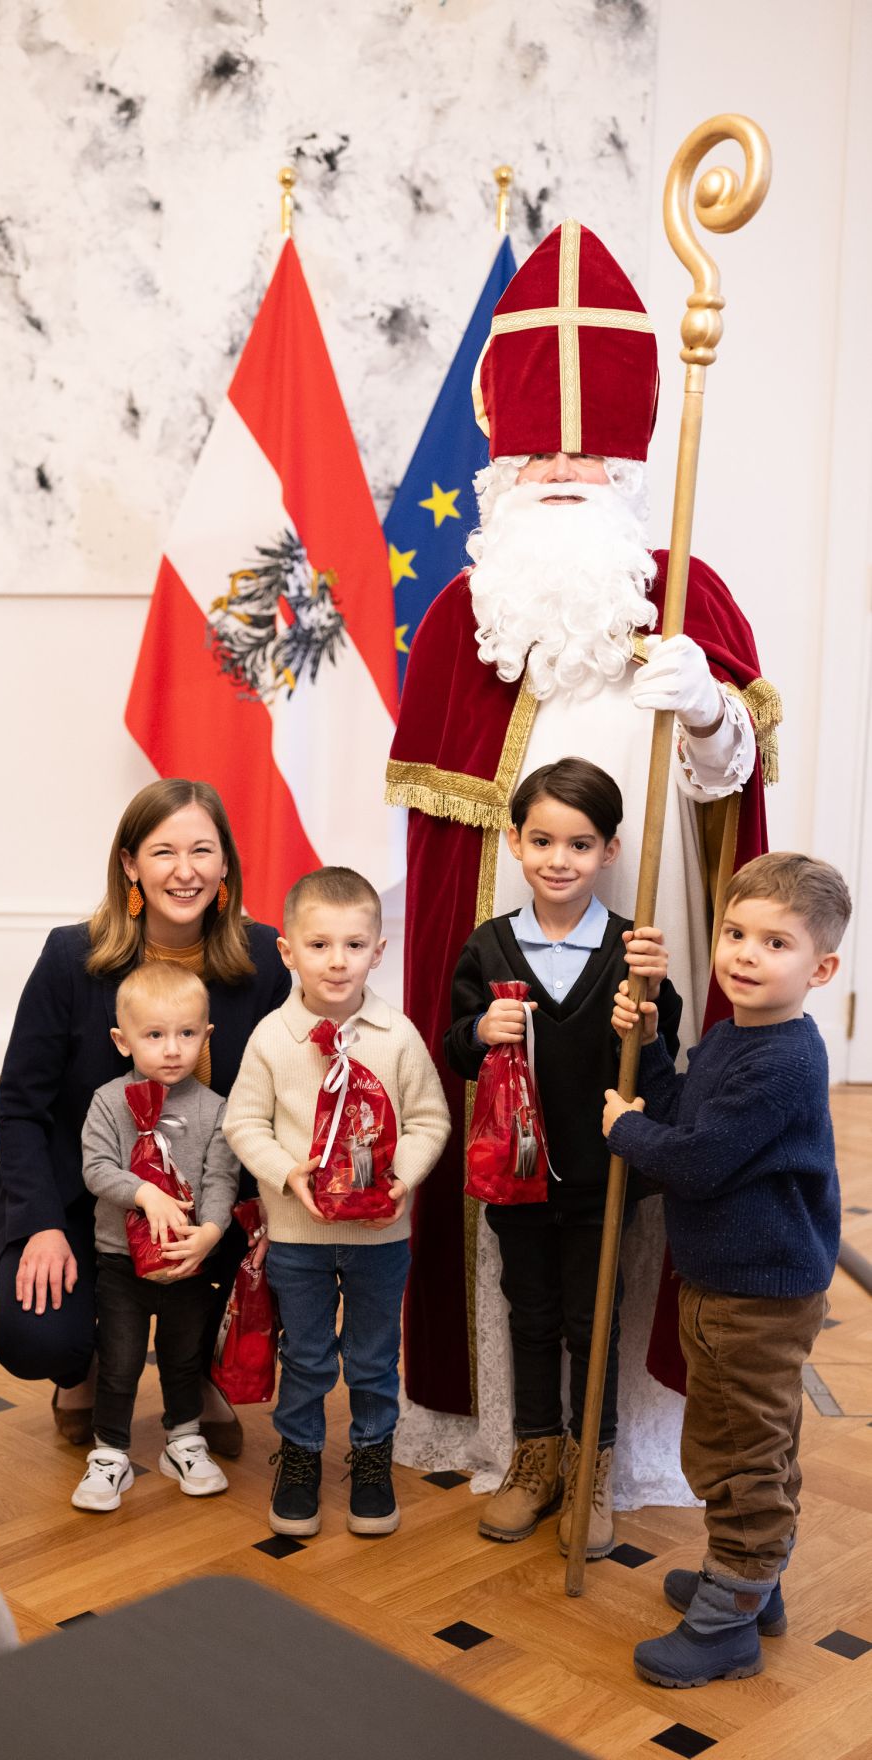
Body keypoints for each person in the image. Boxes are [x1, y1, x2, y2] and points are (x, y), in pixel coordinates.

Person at [384, 218, 780, 1481]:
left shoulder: (685, 597)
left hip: (642, 940)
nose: (562, 465)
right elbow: (439, 851)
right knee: (520, 1186)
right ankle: (514, 1430)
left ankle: (630, 1442)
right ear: (502, 460)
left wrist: (709, 704)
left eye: (587, 447)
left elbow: (736, 798)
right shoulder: (461, 616)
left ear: (625, 461)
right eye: (540, 446)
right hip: (510, 969)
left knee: (632, 1155)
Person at [0, 778, 290, 1462]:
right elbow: (21, 1109)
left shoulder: (265, 959)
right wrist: (41, 1227)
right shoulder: (69, 958)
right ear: (129, 864)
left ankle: (199, 1368)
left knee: (301, 1270)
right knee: (38, 1334)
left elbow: (280, 1101)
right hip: (85, 1196)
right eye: (163, 852)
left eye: (202, 851)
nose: (185, 871)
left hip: (214, 1198)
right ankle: (79, 1367)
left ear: (226, 863)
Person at [604, 852, 850, 1686]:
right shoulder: (731, 1036)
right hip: (723, 1283)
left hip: (757, 1292)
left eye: (774, 943)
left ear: (819, 968)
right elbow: (685, 1105)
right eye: (736, 934)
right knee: (754, 1439)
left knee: (736, 1453)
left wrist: (624, 1131)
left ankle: (726, 1626)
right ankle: (752, 1585)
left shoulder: (784, 1060)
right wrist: (646, 1062)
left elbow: (701, 1159)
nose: (744, 954)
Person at [445, 758, 680, 1559]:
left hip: (600, 1176)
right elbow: (455, 1043)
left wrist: (642, 1023)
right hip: (514, 1178)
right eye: (541, 839)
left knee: (593, 1323)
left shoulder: (632, 952)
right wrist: (479, 1035)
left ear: (610, 851)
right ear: (513, 841)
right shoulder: (489, 945)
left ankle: (592, 1470)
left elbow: (661, 1062)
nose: (557, 858)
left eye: (578, 844)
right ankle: (533, 1460)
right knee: (531, 1315)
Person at [224, 867, 450, 1538]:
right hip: (298, 1234)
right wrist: (284, 1175)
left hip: (380, 1237)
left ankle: (372, 1455)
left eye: (354, 945)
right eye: (318, 945)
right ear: (287, 951)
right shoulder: (272, 1040)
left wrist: (402, 1179)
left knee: (376, 1356)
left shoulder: (397, 1037)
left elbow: (429, 1121)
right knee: (309, 1355)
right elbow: (244, 1124)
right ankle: (298, 1457)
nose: (337, 961)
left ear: (378, 951)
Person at [75, 963, 240, 1509]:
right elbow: (97, 1169)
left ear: (206, 1037)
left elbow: (222, 1179)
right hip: (121, 1262)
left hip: (188, 1262)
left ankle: (184, 1439)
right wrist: (145, 1193)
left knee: (183, 1356)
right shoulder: (107, 1101)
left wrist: (209, 1234)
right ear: (123, 1041)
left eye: (187, 1034)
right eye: (155, 1035)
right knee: (119, 1359)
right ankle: (111, 1452)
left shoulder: (216, 1110)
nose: (172, 1049)